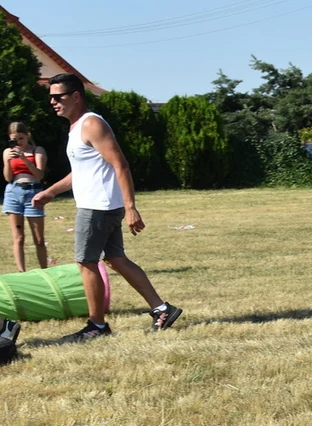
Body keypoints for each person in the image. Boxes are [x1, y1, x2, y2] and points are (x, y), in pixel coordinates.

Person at [31, 73, 181, 341]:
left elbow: (120, 163)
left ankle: (97, 326)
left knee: (86, 263)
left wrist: (131, 206)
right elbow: (81, 172)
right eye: (51, 97)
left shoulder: (91, 125)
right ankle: (162, 309)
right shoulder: (77, 127)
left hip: (96, 208)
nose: (52, 102)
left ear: (76, 96)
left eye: (58, 97)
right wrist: (50, 192)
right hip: (101, 206)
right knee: (115, 259)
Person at [3, 121, 49, 272]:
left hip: (33, 192)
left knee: (39, 239)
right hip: (13, 192)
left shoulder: (37, 150)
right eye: (14, 139)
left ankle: (45, 271)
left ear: (28, 135)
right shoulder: (7, 152)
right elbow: (8, 178)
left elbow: (40, 175)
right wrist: (8, 162)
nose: (18, 142)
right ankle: (21, 272)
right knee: (18, 237)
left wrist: (24, 159)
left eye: (21, 138)